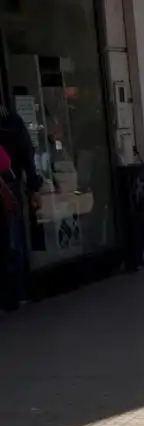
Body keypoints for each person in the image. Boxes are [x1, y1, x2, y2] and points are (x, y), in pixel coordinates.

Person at [0, 103, 41, 311]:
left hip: (8, 187)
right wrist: (33, 186)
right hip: (9, 185)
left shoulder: (11, 123)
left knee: (12, 240)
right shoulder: (11, 121)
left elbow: (26, 153)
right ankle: (16, 293)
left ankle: (15, 293)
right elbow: (27, 154)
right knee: (13, 239)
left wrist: (33, 186)